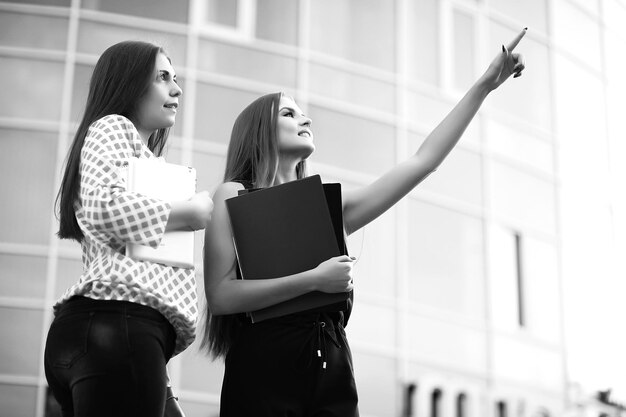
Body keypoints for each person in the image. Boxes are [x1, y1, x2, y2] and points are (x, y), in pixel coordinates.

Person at [202, 29, 528, 416]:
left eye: (302, 112)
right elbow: (221, 296)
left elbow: (422, 162)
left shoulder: (329, 210)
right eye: (288, 113)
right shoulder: (233, 194)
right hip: (264, 370)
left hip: (334, 370)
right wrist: (313, 280)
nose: (304, 118)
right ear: (259, 132)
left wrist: (486, 85)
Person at [44, 40, 213, 417]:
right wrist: (190, 212)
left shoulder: (144, 162)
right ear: (130, 84)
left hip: (124, 334)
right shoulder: (114, 127)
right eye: (163, 77)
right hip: (118, 327)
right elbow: (103, 207)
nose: (177, 88)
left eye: (176, 77)